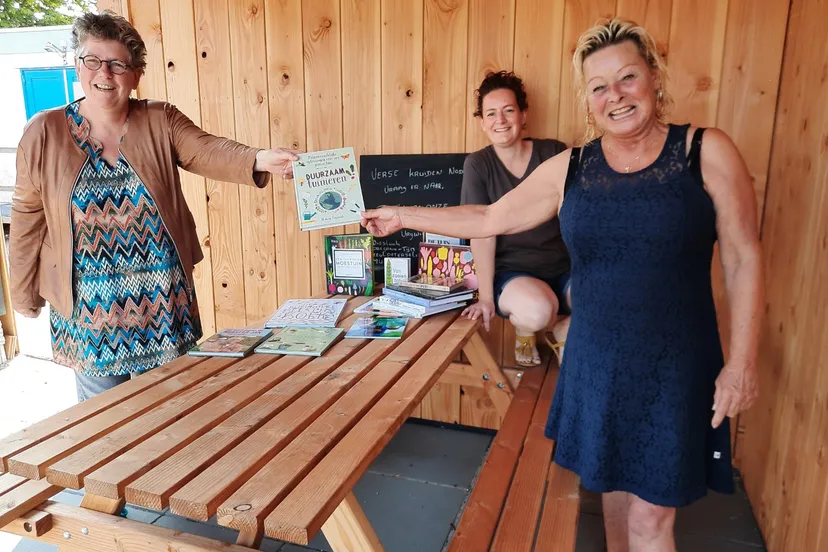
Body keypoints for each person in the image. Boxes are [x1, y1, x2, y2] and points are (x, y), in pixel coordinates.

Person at [362, 18, 763, 552]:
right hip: (595, 360)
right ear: (587, 99)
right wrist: (401, 214)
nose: (615, 97)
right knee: (613, 503)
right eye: (599, 87)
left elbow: (742, 256)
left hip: (674, 363)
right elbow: (488, 219)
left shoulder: (704, 151)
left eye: (627, 78)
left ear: (654, 79)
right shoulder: (571, 167)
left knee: (651, 522)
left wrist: (742, 364)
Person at [10, 11, 299, 402]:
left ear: (136, 74)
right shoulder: (44, 132)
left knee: (168, 409)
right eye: (92, 60)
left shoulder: (159, 119)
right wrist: (23, 291)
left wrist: (261, 157)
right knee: (103, 420)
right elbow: (28, 215)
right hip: (89, 313)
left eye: (117, 64)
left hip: (162, 300)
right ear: (78, 65)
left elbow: (206, 149)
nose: (104, 73)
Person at [461, 71, 570, 367]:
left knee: (602, 297)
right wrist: (485, 297)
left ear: (523, 115)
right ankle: (533, 328)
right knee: (537, 310)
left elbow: (577, 215)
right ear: (482, 122)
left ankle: (560, 326)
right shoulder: (478, 164)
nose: (501, 120)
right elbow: (480, 231)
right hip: (514, 276)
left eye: (509, 110)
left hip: (564, 268)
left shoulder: (554, 152)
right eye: (491, 113)